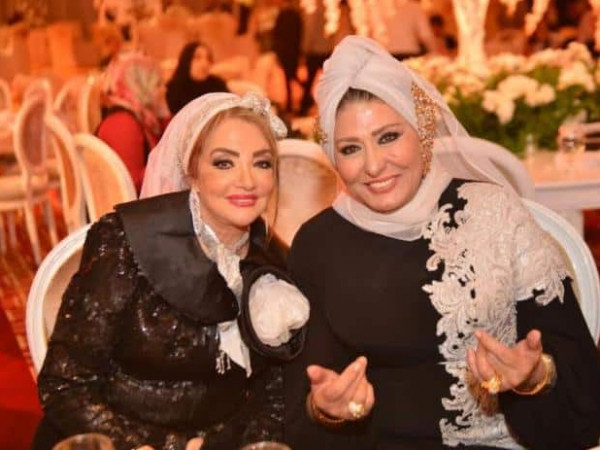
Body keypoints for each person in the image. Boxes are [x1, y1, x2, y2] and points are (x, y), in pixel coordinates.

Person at [284, 35, 600, 449]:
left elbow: (581, 380)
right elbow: (302, 400)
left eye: (388, 137)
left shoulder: (493, 213)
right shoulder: (318, 245)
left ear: (422, 131)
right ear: (332, 156)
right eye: (350, 148)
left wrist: (535, 377)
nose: (374, 165)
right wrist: (327, 409)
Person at [33, 92, 309, 450]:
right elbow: (65, 383)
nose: (247, 180)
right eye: (224, 163)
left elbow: (274, 393)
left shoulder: (272, 262)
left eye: (262, 163)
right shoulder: (126, 244)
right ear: (192, 170)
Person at [96, 52, 168, 193]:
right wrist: (169, 166)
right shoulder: (123, 123)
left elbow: (171, 142)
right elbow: (131, 184)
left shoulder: (144, 115)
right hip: (128, 203)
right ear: (140, 87)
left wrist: (164, 113)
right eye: (158, 84)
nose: (164, 89)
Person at [166, 42, 229, 116]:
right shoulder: (173, 88)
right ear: (187, 61)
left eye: (208, 59)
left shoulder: (218, 85)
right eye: (198, 58)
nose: (204, 63)